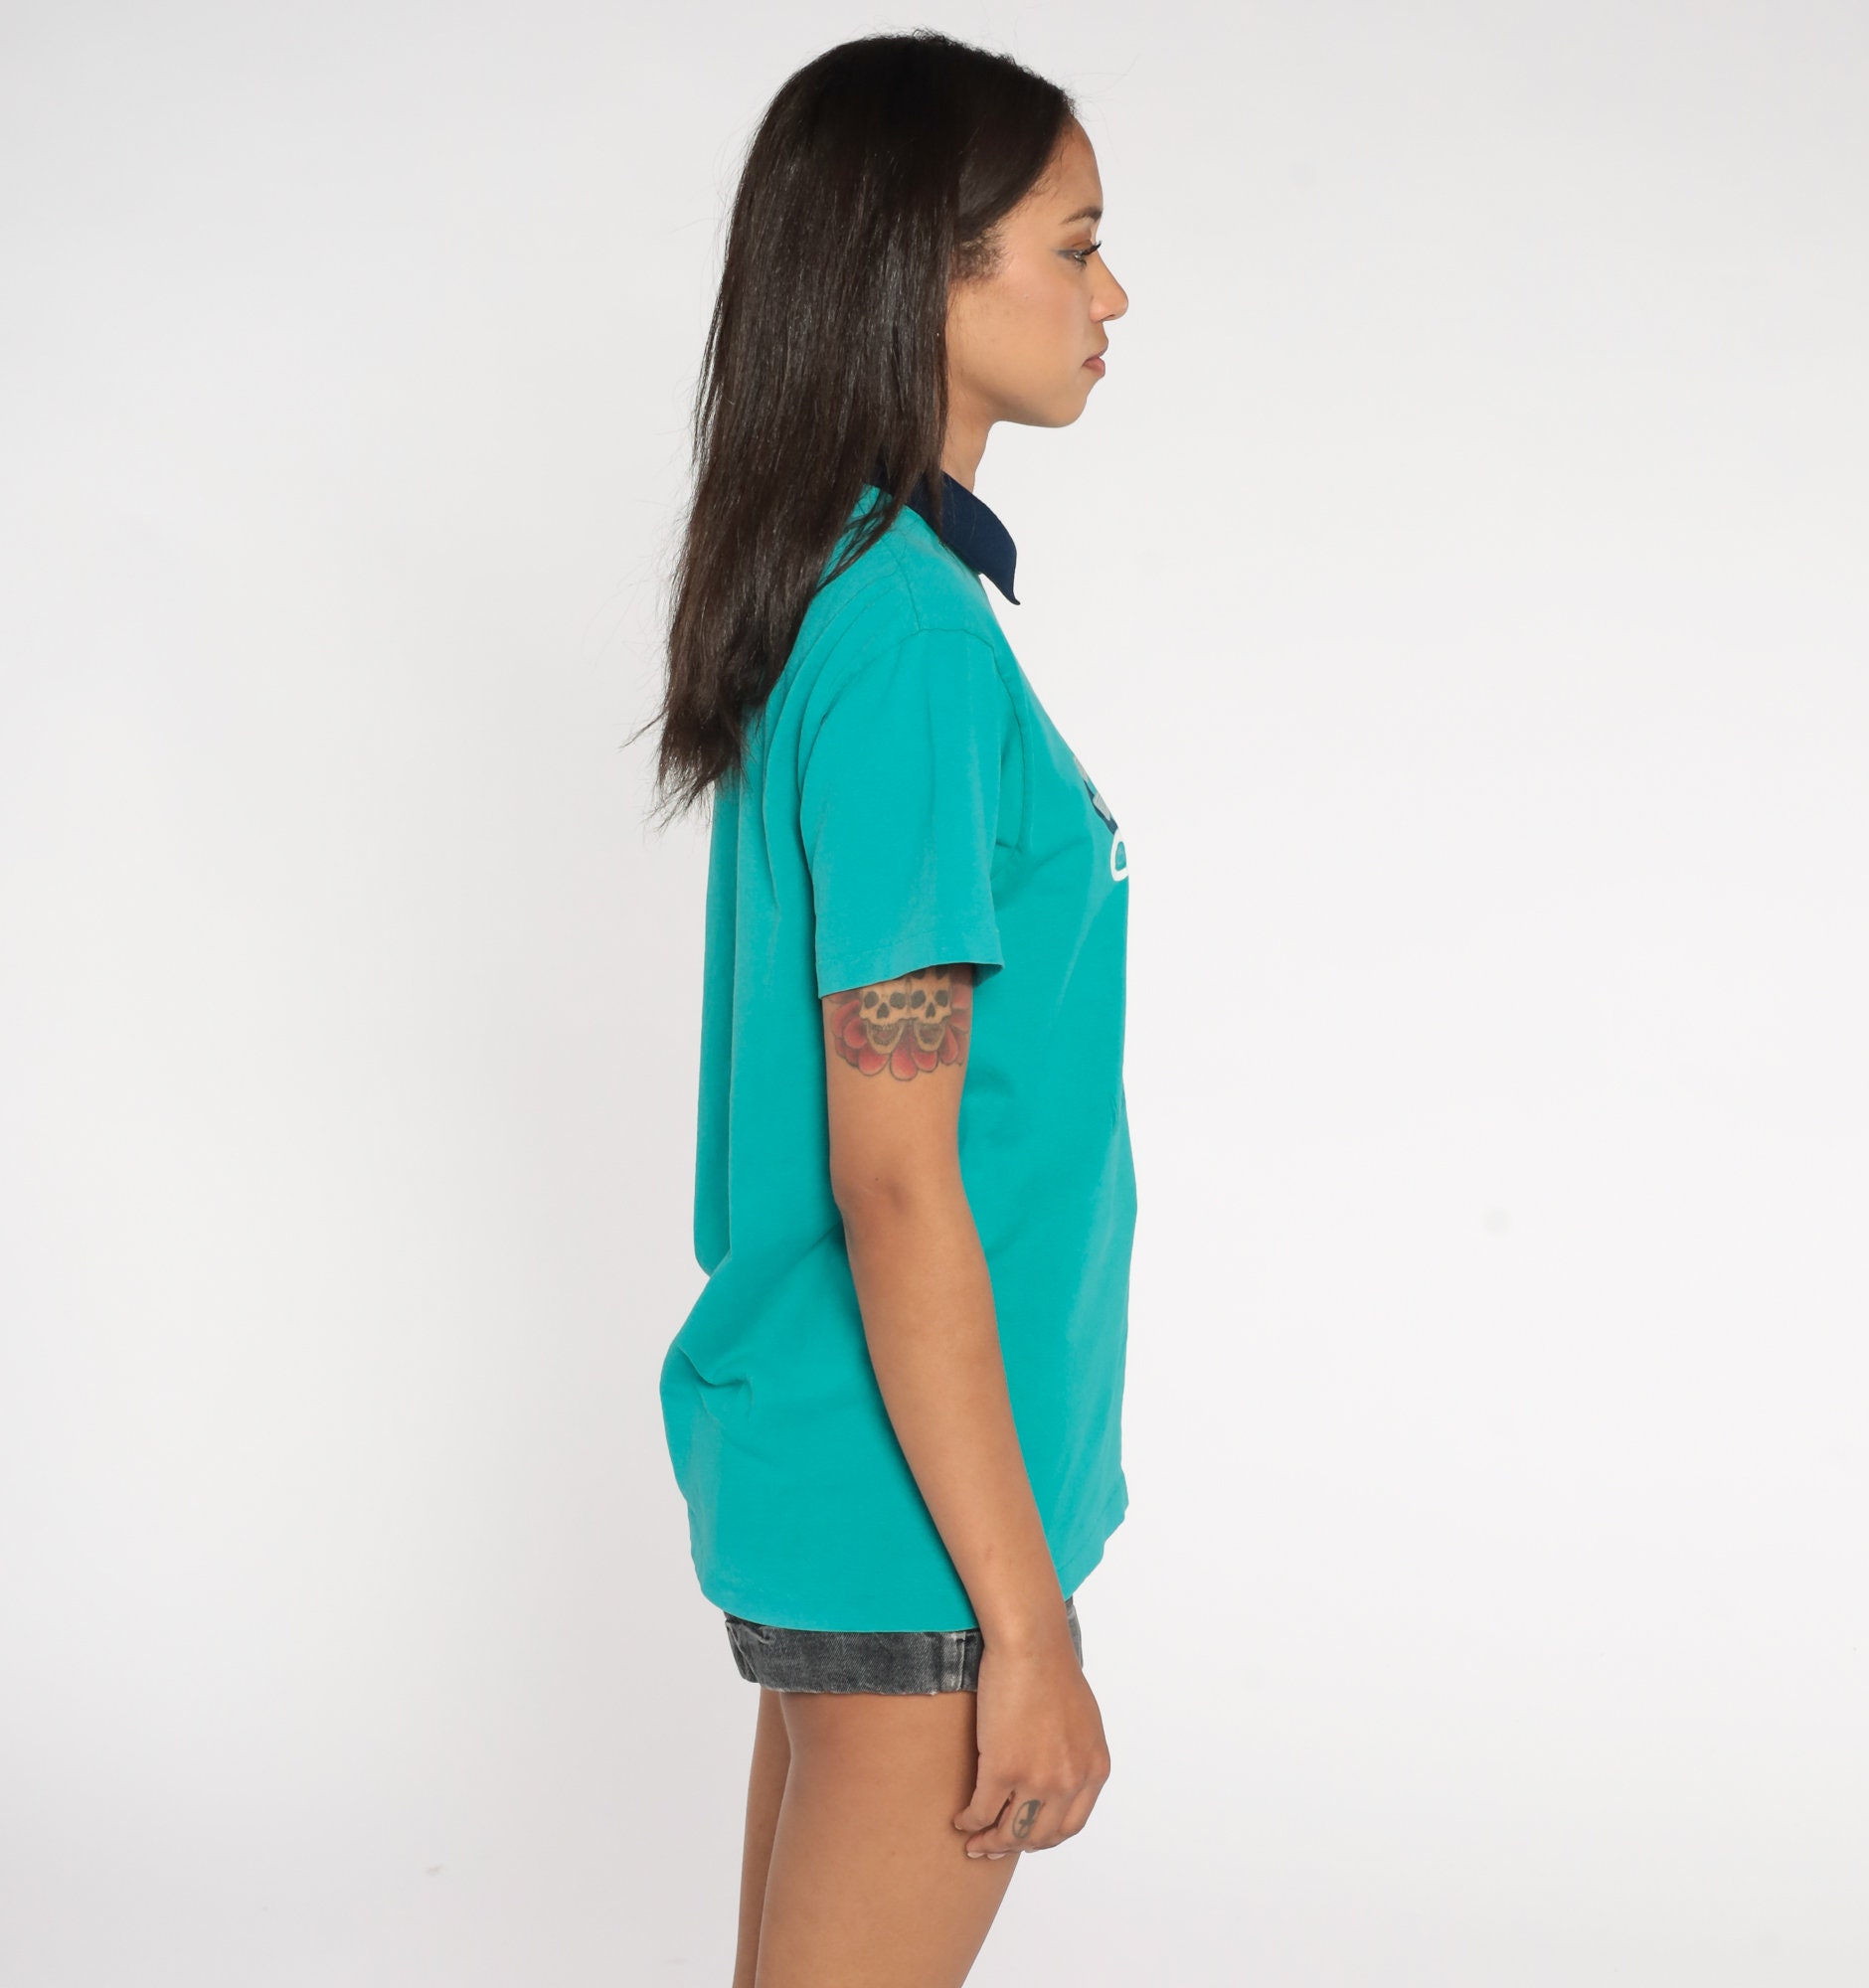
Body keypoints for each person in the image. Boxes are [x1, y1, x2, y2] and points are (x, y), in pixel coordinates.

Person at [645, 31, 1134, 1987]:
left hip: (860, 1486)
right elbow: (897, 1177)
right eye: (1074, 245)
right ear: (930, 270)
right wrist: (1026, 1623)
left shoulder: (853, 594)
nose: (1111, 295)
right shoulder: (912, 641)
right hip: (916, 1526)